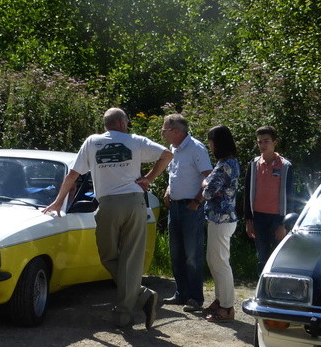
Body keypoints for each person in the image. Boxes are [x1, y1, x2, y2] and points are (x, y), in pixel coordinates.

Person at [44, 108, 173, 329]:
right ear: (123, 123)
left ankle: (124, 314)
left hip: (108, 204)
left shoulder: (92, 142)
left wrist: (58, 201)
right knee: (129, 259)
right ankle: (141, 295)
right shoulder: (135, 140)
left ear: (106, 124)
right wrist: (149, 178)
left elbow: (73, 174)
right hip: (134, 203)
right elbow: (167, 154)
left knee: (108, 256)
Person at [161, 114, 212, 312]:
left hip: (191, 207)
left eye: (165, 129)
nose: (162, 132)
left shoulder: (196, 148)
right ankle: (181, 293)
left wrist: (197, 201)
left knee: (192, 255)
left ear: (176, 131)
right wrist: (168, 189)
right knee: (176, 252)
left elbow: (209, 177)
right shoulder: (173, 149)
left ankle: (196, 298)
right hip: (175, 207)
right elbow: (176, 175)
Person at [201, 125, 240, 322]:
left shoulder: (225, 164)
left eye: (211, 141)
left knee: (220, 263)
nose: (210, 145)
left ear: (218, 143)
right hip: (221, 219)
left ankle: (227, 307)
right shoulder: (229, 162)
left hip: (221, 219)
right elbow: (211, 188)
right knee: (214, 261)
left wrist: (206, 185)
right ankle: (220, 300)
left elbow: (207, 192)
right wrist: (209, 185)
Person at [244, 125, 295, 274]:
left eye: (266, 141)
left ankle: (280, 286)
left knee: (280, 255)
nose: (262, 145)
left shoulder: (285, 166)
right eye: (259, 142)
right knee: (262, 256)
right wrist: (248, 220)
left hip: (277, 218)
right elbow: (248, 192)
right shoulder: (253, 164)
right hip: (258, 217)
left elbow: (290, 196)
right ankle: (262, 287)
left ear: (275, 143)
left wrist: (283, 223)